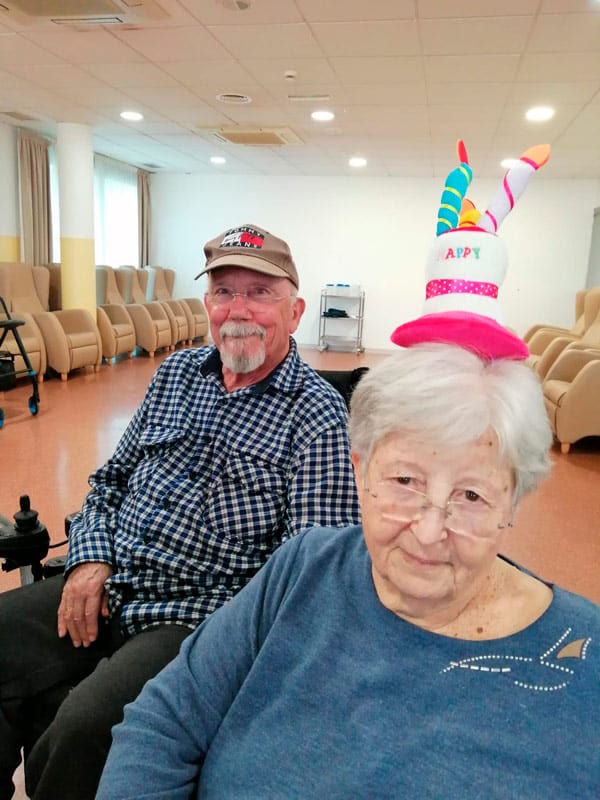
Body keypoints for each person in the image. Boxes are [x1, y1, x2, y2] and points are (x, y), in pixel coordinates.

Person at [97, 343, 600, 799]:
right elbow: (161, 725)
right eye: (405, 481)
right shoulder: (305, 567)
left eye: (471, 495)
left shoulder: (585, 660)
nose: (429, 532)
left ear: (513, 503)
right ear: (359, 472)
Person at [0, 223, 361, 800]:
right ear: (207, 305)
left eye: (260, 293)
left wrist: (227, 645)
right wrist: (89, 559)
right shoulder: (175, 375)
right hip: (112, 575)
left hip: (196, 617)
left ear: (294, 313)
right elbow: (109, 481)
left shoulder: (315, 415)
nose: (238, 309)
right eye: (223, 291)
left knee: (84, 729)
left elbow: (308, 573)